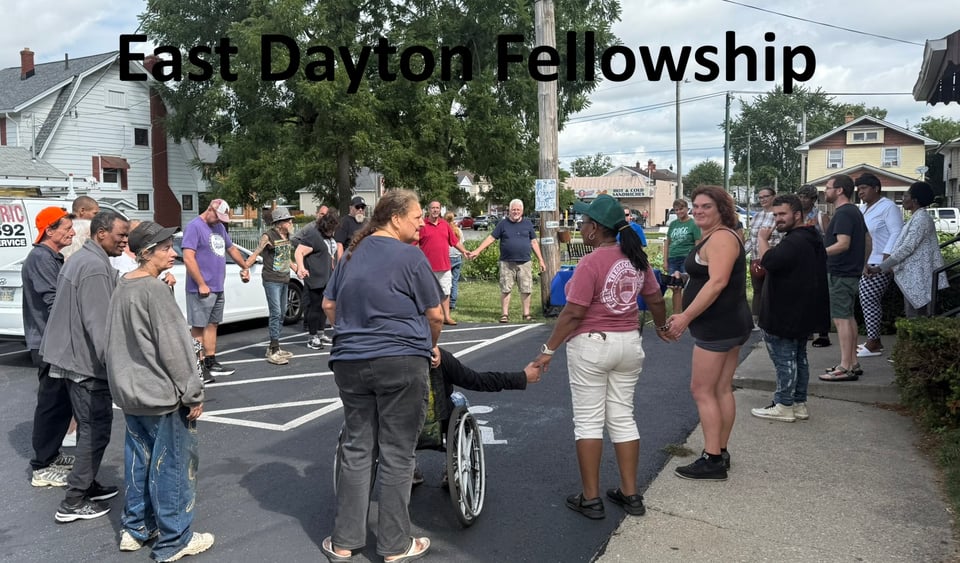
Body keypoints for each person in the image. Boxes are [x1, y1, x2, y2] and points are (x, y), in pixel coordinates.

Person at [321, 189, 442, 563]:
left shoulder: (350, 254)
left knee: (357, 448)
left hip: (350, 361)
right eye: (417, 217)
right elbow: (436, 315)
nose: (421, 224)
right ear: (396, 218)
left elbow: (329, 304)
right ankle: (394, 545)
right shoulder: (410, 256)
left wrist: (353, 330)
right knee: (397, 452)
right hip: (400, 359)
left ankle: (344, 542)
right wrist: (429, 345)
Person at [533, 195, 669, 519]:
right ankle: (630, 494)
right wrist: (662, 326)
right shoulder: (636, 258)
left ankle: (591, 498)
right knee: (622, 416)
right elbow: (655, 298)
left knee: (588, 421)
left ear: (595, 228)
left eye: (583, 223)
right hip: (629, 343)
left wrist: (548, 350)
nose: (580, 227)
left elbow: (573, 313)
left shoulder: (590, 263)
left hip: (592, 345)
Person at [105, 221, 215, 560]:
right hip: (160, 395)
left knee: (139, 461)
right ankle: (175, 540)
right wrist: (193, 393)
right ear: (146, 253)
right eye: (166, 248)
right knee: (173, 467)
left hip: (131, 393)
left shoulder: (124, 284)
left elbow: (113, 341)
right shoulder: (153, 290)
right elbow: (175, 348)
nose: (173, 253)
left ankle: (135, 527)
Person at [40, 209, 130, 523]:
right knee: (96, 429)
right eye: (121, 235)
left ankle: (87, 484)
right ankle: (73, 501)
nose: (125, 241)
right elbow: (99, 324)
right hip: (83, 363)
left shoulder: (86, 259)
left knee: (90, 428)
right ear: (101, 233)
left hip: (71, 357)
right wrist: (117, 369)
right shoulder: (92, 266)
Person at [663, 186, 752, 481]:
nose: (699, 211)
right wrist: (685, 276)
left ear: (722, 209)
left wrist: (685, 317)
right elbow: (708, 276)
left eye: (706, 206)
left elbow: (718, 282)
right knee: (721, 388)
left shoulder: (722, 238)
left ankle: (712, 458)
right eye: (696, 206)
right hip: (729, 323)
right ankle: (720, 452)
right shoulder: (716, 236)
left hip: (718, 327)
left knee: (702, 390)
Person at [750, 195, 829, 422]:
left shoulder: (795, 240)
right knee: (799, 358)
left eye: (782, 214)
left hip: (784, 313)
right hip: (802, 310)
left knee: (785, 360)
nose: (778, 219)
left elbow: (769, 262)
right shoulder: (812, 236)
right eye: (775, 215)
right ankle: (798, 403)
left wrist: (762, 239)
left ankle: (784, 404)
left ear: (797, 214)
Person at [412, 347, 542, 486]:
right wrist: (522, 377)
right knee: (459, 400)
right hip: (439, 419)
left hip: (403, 423)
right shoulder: (437, 356)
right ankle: (455, 463)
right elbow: (477, 381)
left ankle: (409, 467)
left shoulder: (394, 356)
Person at [23, 207, 77, 488]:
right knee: (51, 404)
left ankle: (52, 455)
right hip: (48, 343)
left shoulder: (52, 257)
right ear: (49, 230)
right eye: (67, 228)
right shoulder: (41, 258)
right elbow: (55, 301)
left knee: (61, 403)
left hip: (55, 341)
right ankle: (42, 466)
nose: (73, 232)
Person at [182, 199, 251, 378]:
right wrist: (201, 283)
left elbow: (231, 249)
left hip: (217, 286)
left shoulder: (219, 227)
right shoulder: (194, 227)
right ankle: (197, 366)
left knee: (213, 324)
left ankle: (210, 360)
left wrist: (244, 266)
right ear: (210, 209)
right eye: (218, 217)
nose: (219, 221)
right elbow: (188, 257)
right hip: (201, 288)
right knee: (199, 326)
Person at [868, 182, 949, 317]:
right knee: (914, 316)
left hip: (920, 278)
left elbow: (907, 247)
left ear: (915, 200)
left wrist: (880, 267)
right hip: (916, 277)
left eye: (906, 196)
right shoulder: (917, 217)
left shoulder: (922, 219)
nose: (903, 199)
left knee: (918, 318)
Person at [820, 174, 871, 382]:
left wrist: (818, 254)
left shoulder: (843, 213)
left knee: (841, 320)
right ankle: (853, 363)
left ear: (839, 190)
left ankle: (845, 367)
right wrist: (862, 264)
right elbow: (868, 239)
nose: (825, 191)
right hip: (850, 272)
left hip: (840, 273)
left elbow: (843, 244)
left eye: (828, 187)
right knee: (848, 317)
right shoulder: (854, 211)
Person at [467, 199, 545, 323]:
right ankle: (504, 314)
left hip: (525, 262)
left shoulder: (527, 224)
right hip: (507, 262)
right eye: (513, 210)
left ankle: (526, 314)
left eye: (518, 210)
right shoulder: (503, 224)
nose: (515, 212)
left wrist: (541, 260)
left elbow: (534, 242)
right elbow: (491, 238)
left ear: (522, 211)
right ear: (509, 210)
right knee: (505, 289)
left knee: (526, 289)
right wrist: (478, 250)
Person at [855, 173, 903, 358]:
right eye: (858, 189)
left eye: (864, 188)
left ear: (876, 188)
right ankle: (873, 339)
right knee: (866, 300)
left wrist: (886, 260)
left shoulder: (888, 207)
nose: (860, 192)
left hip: (880, 261)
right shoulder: (863, 208)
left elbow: (896, 232)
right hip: (867, 261)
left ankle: (873, 342)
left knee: (869, 299)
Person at [245, 206, 296, 365]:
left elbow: (286, 257)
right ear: (279, 222)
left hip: (284, 279)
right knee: (276, 313)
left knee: (282, 313)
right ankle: (273, 350)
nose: (290, 223)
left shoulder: (287, 235)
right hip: (272, 280)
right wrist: (245, 268)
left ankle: (274, 346)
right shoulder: (268, 236)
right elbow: (255, 253)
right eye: (288, 220)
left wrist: (297, 269)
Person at [418, 201, 470, 325]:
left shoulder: (445, 225)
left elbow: (454, 241)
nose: (435, 210)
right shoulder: (422, 225)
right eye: (433, 208)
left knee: (446, 292)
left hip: (444, 266)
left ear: (440, 209)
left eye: (437, 208)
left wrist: (464, 251)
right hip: (428, 268)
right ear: (429, 209)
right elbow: (414, 243)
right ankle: (427, 318)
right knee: (427, 294)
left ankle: (446, 317)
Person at [295, 211, 340, 350]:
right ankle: (312, 337)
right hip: (315, 277)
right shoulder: (313, 236)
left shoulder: (329, 237)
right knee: (314, 307)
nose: (332, 231)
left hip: (327, 277)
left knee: (323, 307)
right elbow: (299, 251)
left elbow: (329, 253)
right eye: (331, 228)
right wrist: (301, 267)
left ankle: (320, 333)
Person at [797, 184, 832, 348]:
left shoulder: (820, 216)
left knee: (820, 297)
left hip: (818, 262)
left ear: (813, 199)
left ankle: (823, 333)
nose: (802, 200)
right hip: (800, 262)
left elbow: (830, 239)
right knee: (802, 297)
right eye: (800, 197)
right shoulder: (796, 216)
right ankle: (807, 329)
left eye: (806, 197)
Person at [744, 187, 783, 329]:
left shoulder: (778, 216)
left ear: (774, 196)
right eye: (760, 197)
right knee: (757, 290)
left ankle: (772, 320)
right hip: (756, 259)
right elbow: (751, 240)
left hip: (772, 259)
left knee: (772, 291)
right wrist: (740, 254)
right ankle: (756, 321)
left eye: (765, 196)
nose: (762, 199)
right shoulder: (756, 217)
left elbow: (782, 239)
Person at [662, 199, 701, 314]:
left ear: (687, 209)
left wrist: (695, 260)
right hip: (673, 258)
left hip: (686, 257)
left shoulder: (693, 224)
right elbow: (667, 242)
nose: (679, 212)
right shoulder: (673, 224)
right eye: (676, 210)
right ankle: (676, 313)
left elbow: (697, 243)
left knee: (687, 286)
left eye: (681, 209)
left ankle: (688, 313)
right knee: (675, 286)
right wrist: (665, 261)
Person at [444, 212, 464, 311]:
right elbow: (461, 243)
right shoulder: (458, 230)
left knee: (445, 281)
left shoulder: (444, 230)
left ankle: (444, 302)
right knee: (454, 281)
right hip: (457, 256)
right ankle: (452, 302)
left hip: (447, 257)